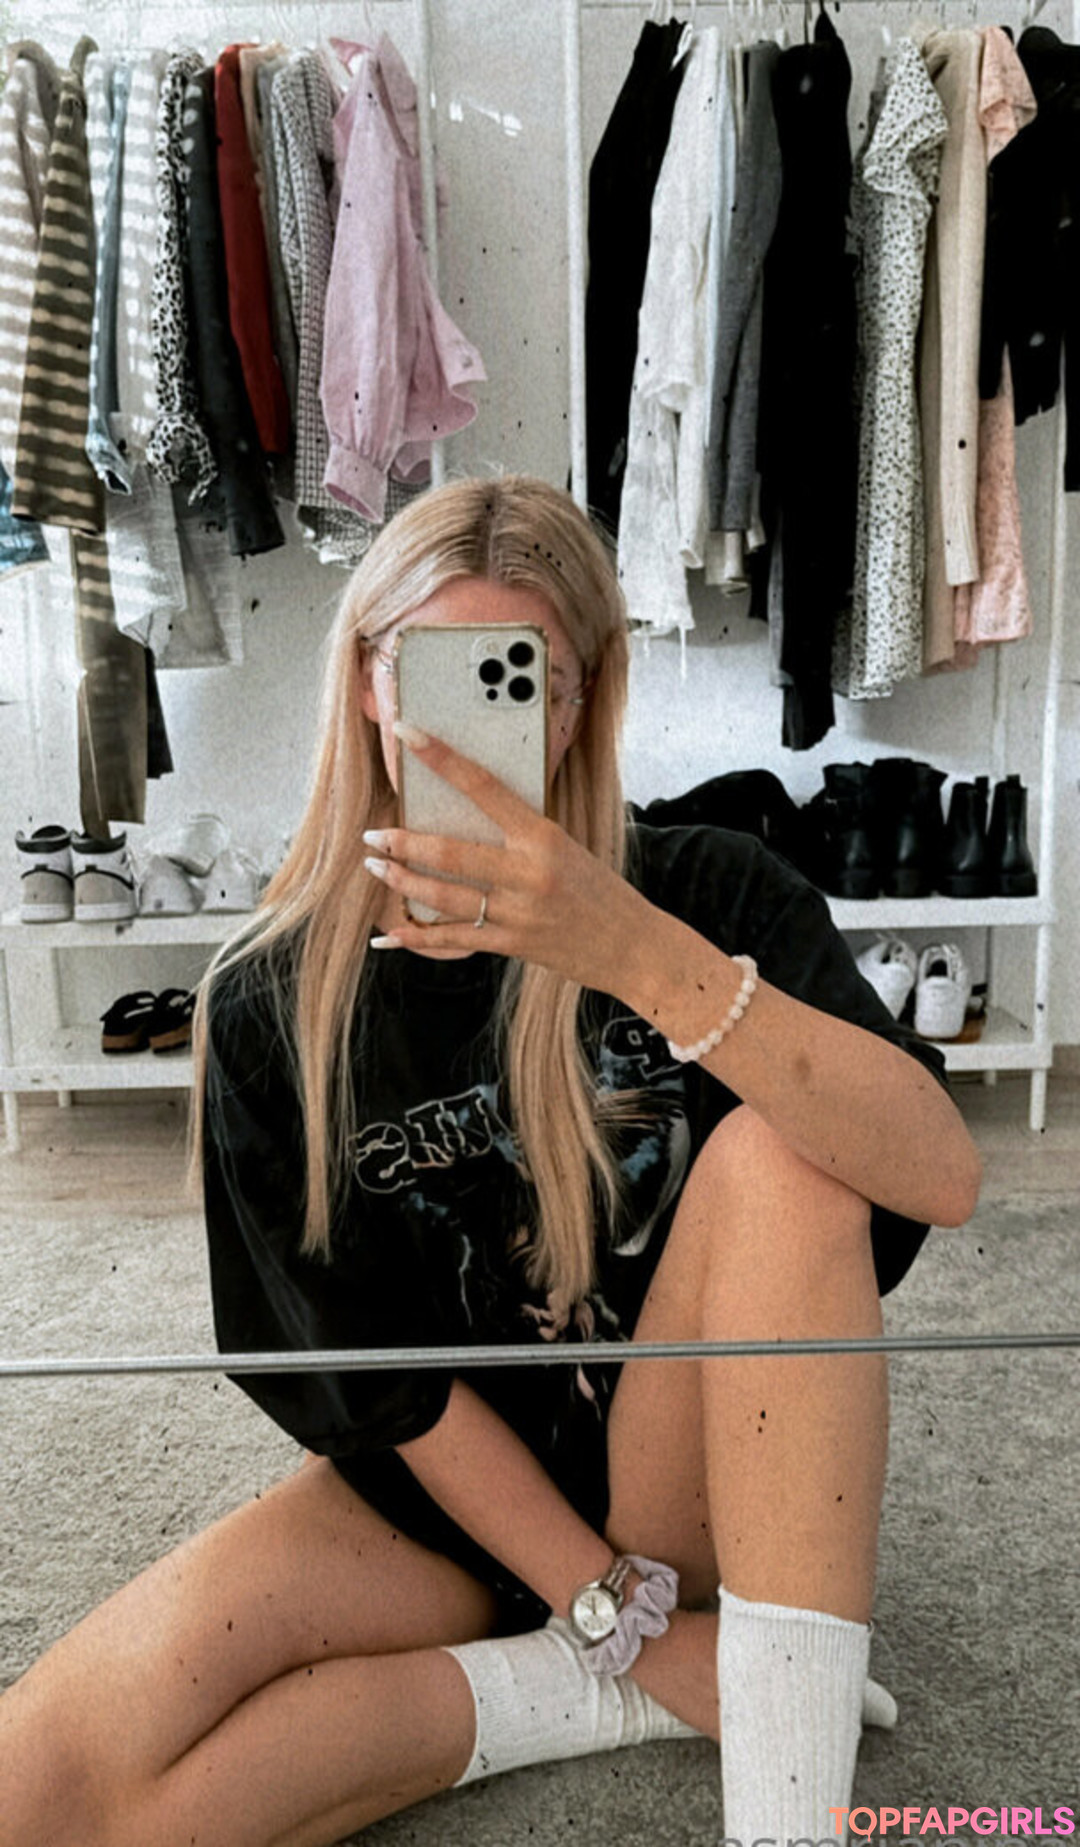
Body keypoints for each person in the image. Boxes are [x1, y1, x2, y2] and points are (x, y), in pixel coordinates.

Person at [0, 475, 981, 1847]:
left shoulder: (709, 894)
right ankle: (603, 1689)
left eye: (524, 677)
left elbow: (940, 1174)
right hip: (453, 1499)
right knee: (41, 1793)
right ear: (369, 683)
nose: (476, 718)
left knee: (782, 1150)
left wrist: (637, 955)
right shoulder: (275, 1001)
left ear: (578, 704)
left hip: (689, 1475)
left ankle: (785, 1810)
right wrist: (608, 1618)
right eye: (432, 668)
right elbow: (381, 1381)